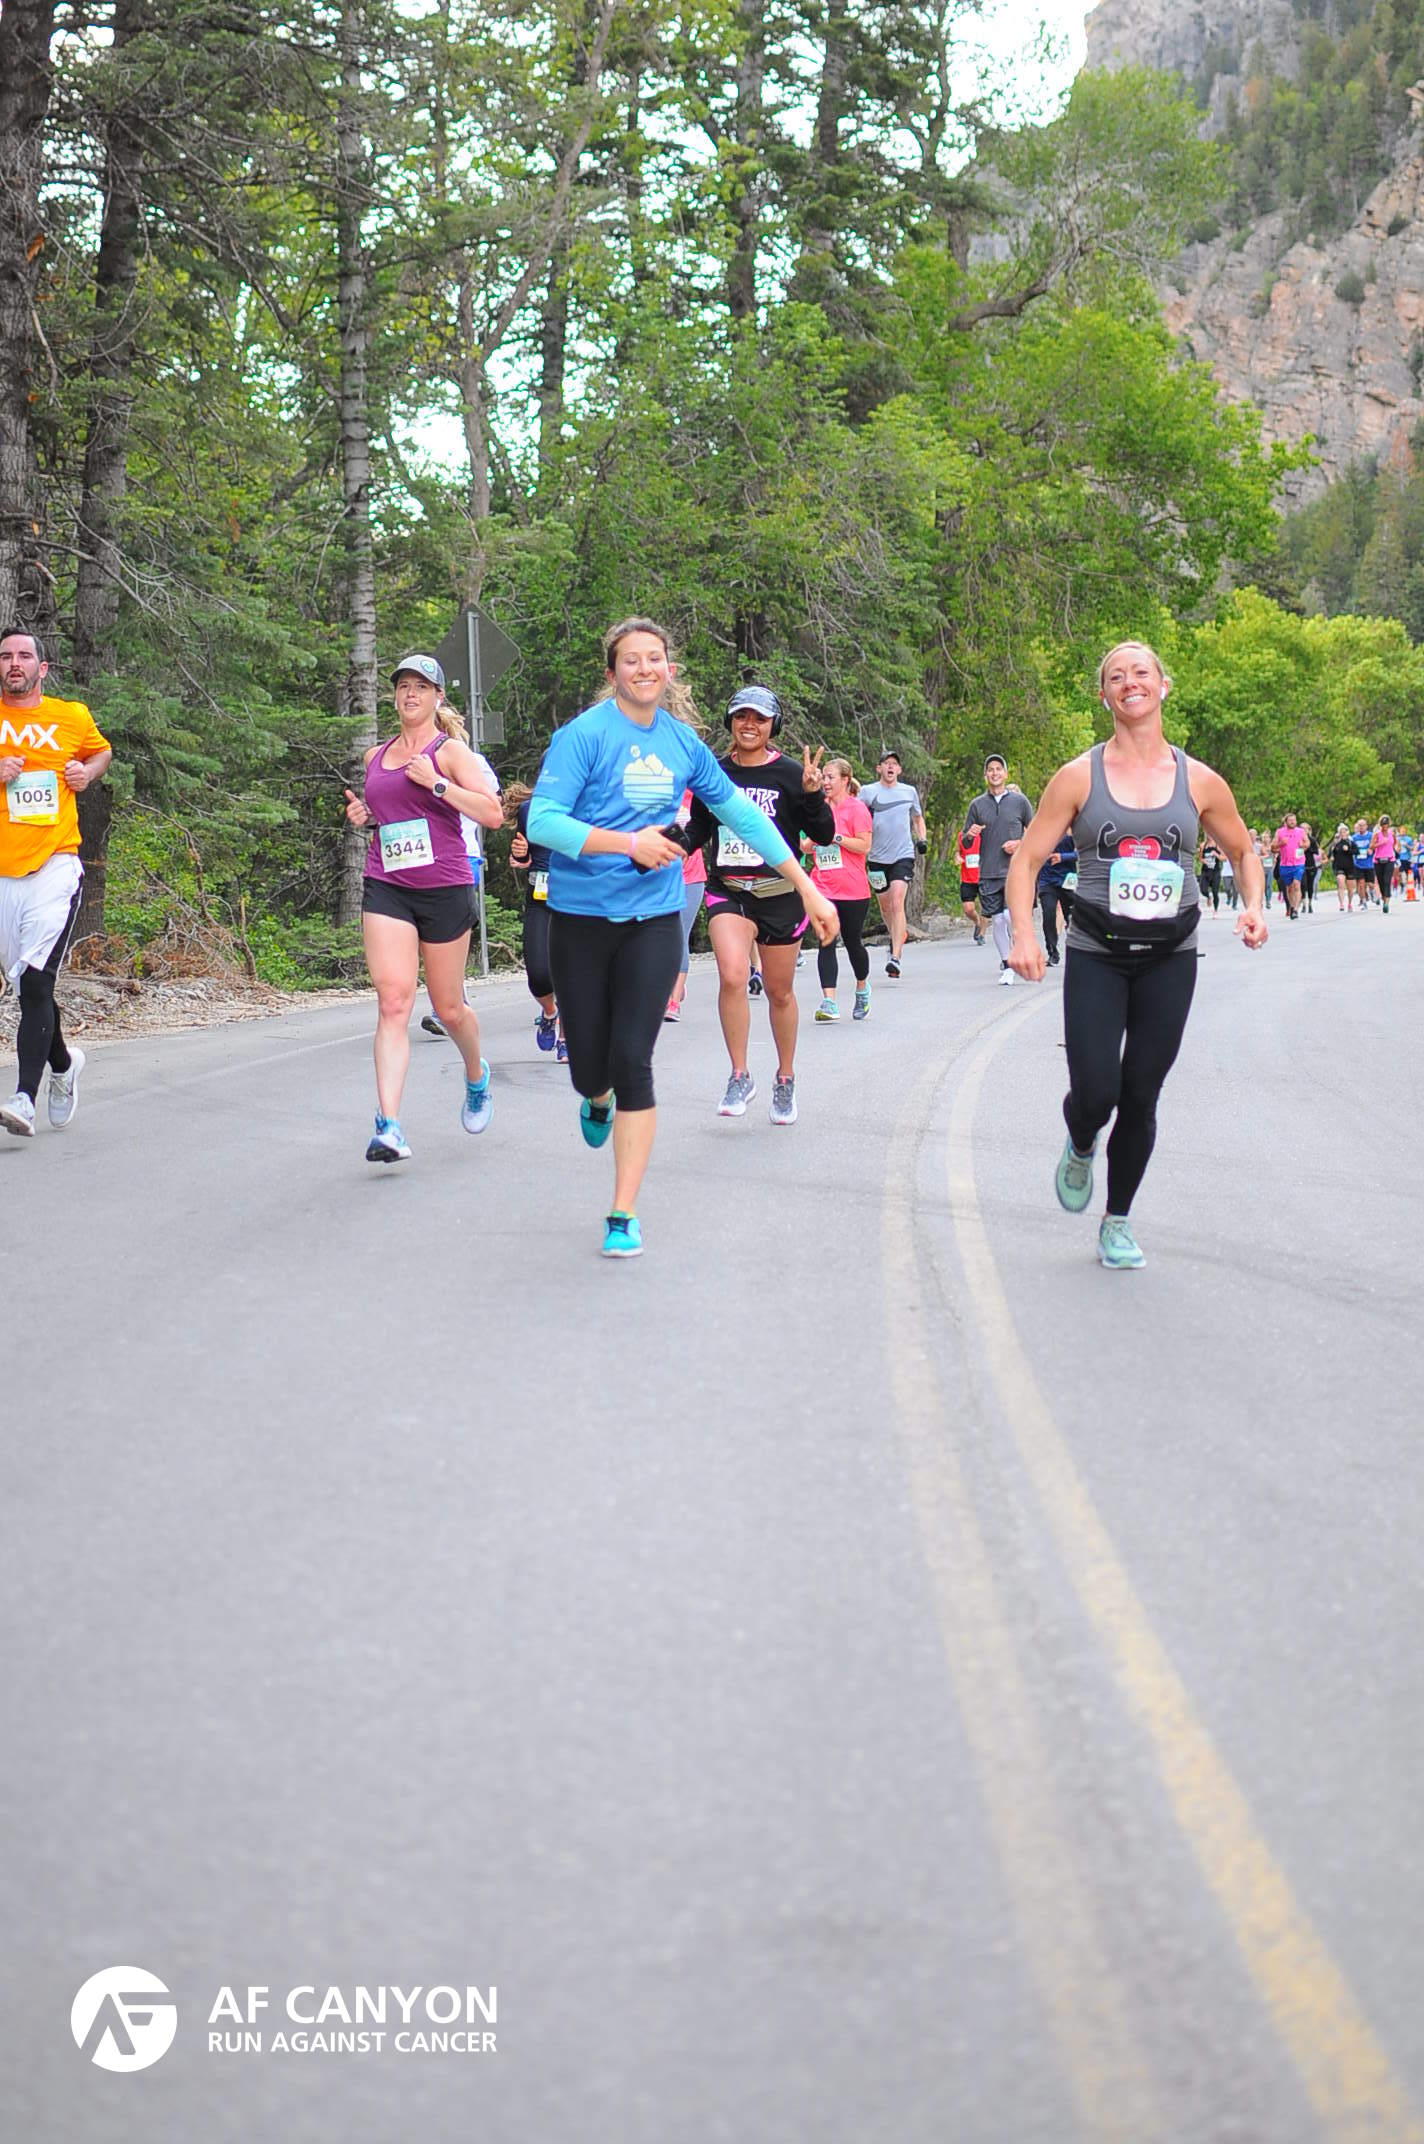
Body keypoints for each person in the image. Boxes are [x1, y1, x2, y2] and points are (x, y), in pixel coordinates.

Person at [527, 619, 837, 1257]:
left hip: (653, 919)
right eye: (631, 660)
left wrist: (806, 887)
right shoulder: (582, 736)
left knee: (634, 1060)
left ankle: (622, 1213)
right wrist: (627, 844)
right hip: (581, 920)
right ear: (612, 672)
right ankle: (596, 1096)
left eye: (655, 658)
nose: (644, 668)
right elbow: (544, 823)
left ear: (669, 671)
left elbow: (742, 814)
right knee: (591, 1069)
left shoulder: (683, 744)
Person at [1005, 638, 1266, 1270]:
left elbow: (1243, 851)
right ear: (1105, 695)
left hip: (1170, 957)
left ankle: (1117, 1220)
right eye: (1117, 677)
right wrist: (1024, 934)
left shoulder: (1200, 780)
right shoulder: (1078, 777)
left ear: (1163, 686)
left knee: (1142, 1094)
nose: (1131, 683)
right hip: (1096, 951)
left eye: (1141, 672)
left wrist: (1255, 905)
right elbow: (1028, 859)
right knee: (1097, 1092)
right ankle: (1081, 1137)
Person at [344, 652, 504, 1162]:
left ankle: (476, 1075)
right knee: (394, 1001)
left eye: (420, 686)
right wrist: (366, 815)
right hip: (387, 885)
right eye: (403, 686)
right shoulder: (375, 757)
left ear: (438, 697)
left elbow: (493, 813)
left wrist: (436, 782)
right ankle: (389, 1125)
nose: (410, 694)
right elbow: (391, 815)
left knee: (449, 1008)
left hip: (444, 888)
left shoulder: (450, 752)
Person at [681, 684, 837, 1125]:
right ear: (730, 721)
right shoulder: (714, 772)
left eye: (760, 719)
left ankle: (785, 1078)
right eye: (742, 716)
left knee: (779, 991)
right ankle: (739, 1074)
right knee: (733, 975)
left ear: (773, 726)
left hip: (780, 895)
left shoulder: (790, 773)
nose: (749, 725)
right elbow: (699, 828)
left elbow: (824, 835)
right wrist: (675, 845)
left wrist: (812, 795)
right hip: (729, 889)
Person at [0, 626, 112, 1135]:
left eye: (24, 656)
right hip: (4, 873)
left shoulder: (71, 716)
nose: (14, 663)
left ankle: (24, 1098)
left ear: (42, 668)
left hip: (54, 866)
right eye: (6, 656)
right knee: (27, 985)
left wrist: (88, 773)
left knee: (35, 982)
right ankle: (64, 1066)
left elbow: (100, 752)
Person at [420, 740, 500, 1038]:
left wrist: (445, 787)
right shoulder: (413, 762)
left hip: (463, 854)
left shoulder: (474, 762)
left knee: (448, 929)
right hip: (424, 857)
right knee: (429, 934)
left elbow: (493, 804)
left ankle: (446, 1006)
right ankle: (452, 1001)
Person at [802, 756, 873, 1020]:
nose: (826, 782)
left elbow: (864, 846)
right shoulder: (818, 808)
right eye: (824, 777)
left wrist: (837, 838)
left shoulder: (857, 809)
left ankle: (862, 987)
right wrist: (810, 843)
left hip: (853, 888)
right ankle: (829, 1002)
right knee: (826, 940)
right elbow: (805, 845)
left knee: (853, 942)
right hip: (822, 887)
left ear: (845, 780)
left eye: (831, 777)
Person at [503, 779, 565, 1055]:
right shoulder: (530, 809)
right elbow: (522, 854)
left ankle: (566, 1038)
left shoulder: (587, 806)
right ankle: (550, 1012)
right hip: (540, 896)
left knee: (569, 970)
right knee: (539, 975)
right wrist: (521, 855)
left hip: (577, 898)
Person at [963, 753, 1034, 985]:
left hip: (1016, 871)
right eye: (990, 769)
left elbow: (1036, 832)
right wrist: (969, 835)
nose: (995, 773)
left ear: (1005, 773)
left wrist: (1019, 844)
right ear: (986, 775)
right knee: (999, 919)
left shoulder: (1020, 802)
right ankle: (1007, 965)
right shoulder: (977, 805)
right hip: (989, 871)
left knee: (1010, 916)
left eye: (998, 769)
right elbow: (964, 842)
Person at [859, 749, 926, 977]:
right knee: (886, 907)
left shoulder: (909, 792)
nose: (890, 767)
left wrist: (922, 839)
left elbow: (917, 817)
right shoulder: (868, 792)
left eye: (894, 764)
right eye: (886, 763)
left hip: (902, 855)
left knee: (897, 902)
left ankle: (896, 957)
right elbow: (855, 815)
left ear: (899, 770)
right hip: (876, 858)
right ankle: (898, 935)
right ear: (879, 768)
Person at [665, 787, 707, 1022]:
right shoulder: (658, 792)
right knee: (660, 937)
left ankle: (673, 1000)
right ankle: (672, 986)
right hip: (660, 877)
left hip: (691, 878)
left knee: (680, 934)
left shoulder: (696, 795)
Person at [1036, 832, 1076, 966]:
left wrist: (1062, 857)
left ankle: (1076, 949)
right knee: (1048, 914)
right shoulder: (1041, 829)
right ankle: (1052, 952)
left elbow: (1082, 853)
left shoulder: (1071, 828)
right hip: (1047, 880)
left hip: (1068, 879)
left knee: (1072, 917)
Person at [1272, 811, 1306, 918]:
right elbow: (1273, 848)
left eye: (1294, 820)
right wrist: (1280, 843)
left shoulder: (1301, 831)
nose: (1293, 822)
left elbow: (1307, 843)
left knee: (1296, 884)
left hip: (1299, 863)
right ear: (1286, 822)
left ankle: (1295, 909)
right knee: (1289, 887)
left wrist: (1303, 845)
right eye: (1290, 820)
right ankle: (1291, 906)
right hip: (1285, 864)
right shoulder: (1280, 832)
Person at [958, 822, 985, 943]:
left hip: (984, 877)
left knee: (985, 908)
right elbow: (958, 851)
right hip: (967, 878)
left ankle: (981, 934)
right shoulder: (961, 835)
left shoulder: (985, 836)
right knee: (968, 909)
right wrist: (957, 857)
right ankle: (977, 921)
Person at [1371, 814, 1397, 912]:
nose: (1385, 826)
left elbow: (1394, 843)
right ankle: (1384, 897)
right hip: (1378, 860)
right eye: (1383, 824)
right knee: (1381, 881)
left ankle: (1386, 903)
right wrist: (1381, 843)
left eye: (1386, 824)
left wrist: (1393, 850)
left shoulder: (1392, 834)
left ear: (1389, 824)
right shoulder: (1377, 834)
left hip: (1390, 860)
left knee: (1387, 881)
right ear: (1380, 825)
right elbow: (1371, 846)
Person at [1329, 823, 1354, 912]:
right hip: (1339, 866)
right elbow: (1331, 853)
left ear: (1347, 832)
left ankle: (1350, 903)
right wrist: (1332, 856)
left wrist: (1348, 849)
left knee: (1350, 888)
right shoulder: (1336, 843)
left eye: (1344, 831)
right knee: (1340, 882)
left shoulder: (1351, 842)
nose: (1342, 833)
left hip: (1350, 866)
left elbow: (1356, 852)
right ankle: (1341, 903)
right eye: (1341, 832)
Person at [1350, 818, 1375, 905]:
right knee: (1361, 884)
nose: (1361, 827)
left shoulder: (1371, 836)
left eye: (1363, 825)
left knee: (1371, 884)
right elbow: (1351, 849)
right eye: (1359, 825)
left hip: (1369, 864)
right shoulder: (1354, 838)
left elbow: (1375, 846)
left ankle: (1372, 892)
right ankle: (1363, 901)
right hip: (1358, 864)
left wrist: (1371, 850)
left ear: (1366, 826)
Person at [1198, 834, 1223, 913]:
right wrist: (1203, 861)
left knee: (1215, 892)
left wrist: (1216, 855)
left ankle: (1215, 910)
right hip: (1205, 871)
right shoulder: (1203, 845)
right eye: (1208, 834)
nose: (1209, 835)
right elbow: (1200, 857)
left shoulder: (1218, 845)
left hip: (1215, 872)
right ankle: (1208, 897)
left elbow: (1224, 858)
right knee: (1203, 890)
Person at [1300, 822, 1321, 913]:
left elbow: (1316, 851)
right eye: (1302, 829)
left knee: (1310, 885)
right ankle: (1303, 904)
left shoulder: (1312, 840)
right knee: (1302, 884)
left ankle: (1310, 904)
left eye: (1306, 829)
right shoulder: (1298, 839)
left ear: (1309, 830)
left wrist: (1308, 849)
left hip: (1311, 865)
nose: (1304, 830)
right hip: (1301, 865)